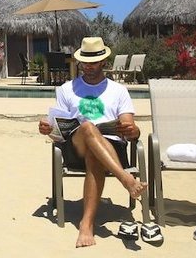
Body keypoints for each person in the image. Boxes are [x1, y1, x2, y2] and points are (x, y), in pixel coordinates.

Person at [38, 37, 149, 248]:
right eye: (84, 62)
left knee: (94, 154)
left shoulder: (118, 91)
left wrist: (133, 130)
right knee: (88, 127)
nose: (88, 67)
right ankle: (126, 180)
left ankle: (86, 224)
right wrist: (48, 129)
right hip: (75, 149)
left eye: (93, 62)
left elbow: (130, 129)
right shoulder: (66, 89)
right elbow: (59, 132)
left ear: (103, 62)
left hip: (111, 147)